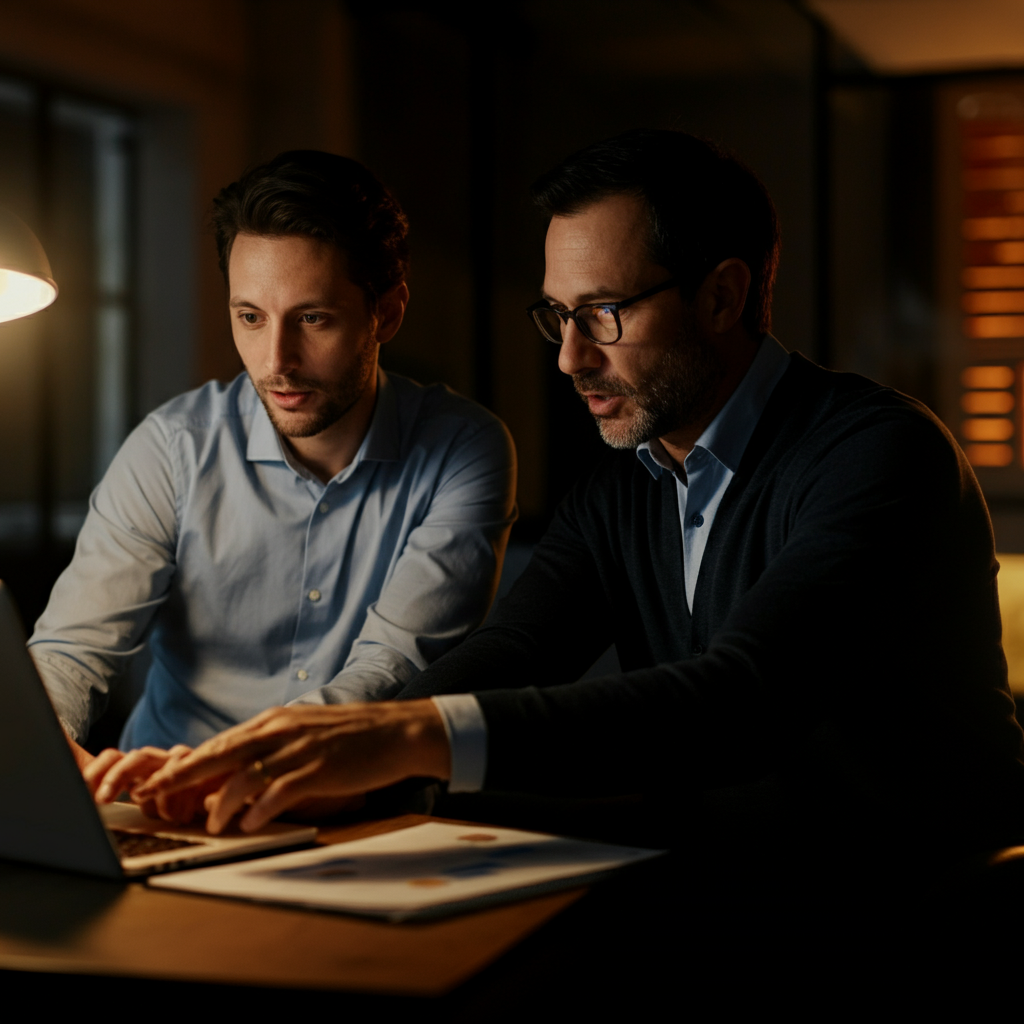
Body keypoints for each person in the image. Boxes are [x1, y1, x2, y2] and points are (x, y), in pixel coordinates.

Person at [129, 131, 1024, 853]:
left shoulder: (881, 453)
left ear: (723, 296)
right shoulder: (623, 486)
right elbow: (515, 651)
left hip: (920, 904)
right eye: (558, 315)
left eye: (604, 314)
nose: (569, 357)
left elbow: (742, 700)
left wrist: (400, 742)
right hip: (723, 887)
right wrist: (286, 762)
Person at [30, 150, 517, 788]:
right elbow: (71, 651)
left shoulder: (465, 449)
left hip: (356, 808)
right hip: (159, 802)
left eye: (313, 318)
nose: (276, 360)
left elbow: (388, 670)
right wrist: (40, 739)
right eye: (250, 318)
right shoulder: (172, 449)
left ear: (387, 312)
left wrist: (227, 768)